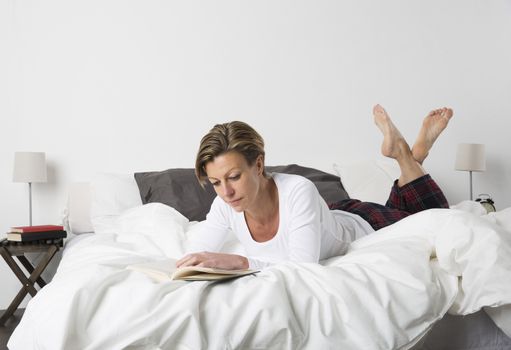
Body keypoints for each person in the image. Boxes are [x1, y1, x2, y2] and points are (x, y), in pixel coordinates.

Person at [176, 105, 453, 270]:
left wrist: (240, 262)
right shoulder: (224, 205)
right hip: (324, 218)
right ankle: (413, 158)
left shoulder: (298, 190)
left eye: (234, 177)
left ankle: (405, 154)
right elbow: (192, 256)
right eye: (215, 183)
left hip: (365, 224)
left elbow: (303, 270)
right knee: (407, 208)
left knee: (438, 218)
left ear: (258, 165)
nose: (226, 192)